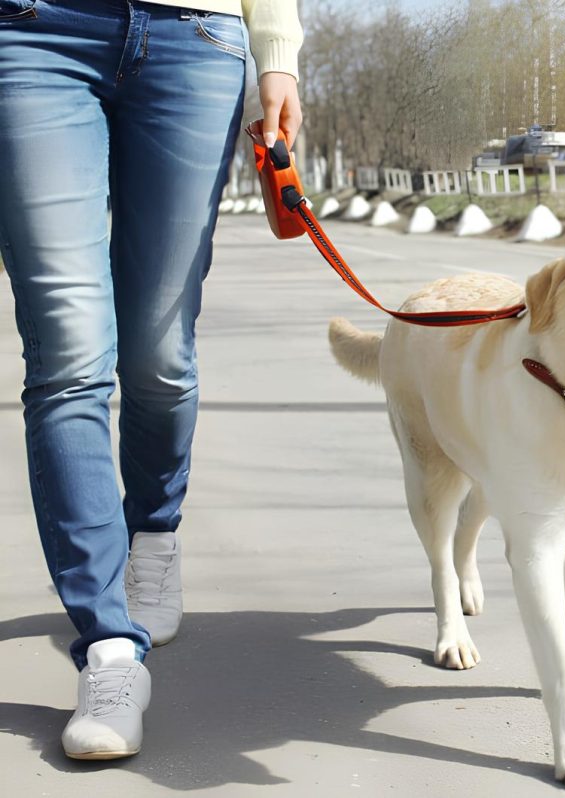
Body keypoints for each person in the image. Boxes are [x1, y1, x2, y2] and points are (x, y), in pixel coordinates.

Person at [0, 0, 302, 759]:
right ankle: (109, 650)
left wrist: (277, 52)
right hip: (32, 30)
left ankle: (154, 536)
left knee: (159, 354)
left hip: (194, 36)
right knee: (68, 352)